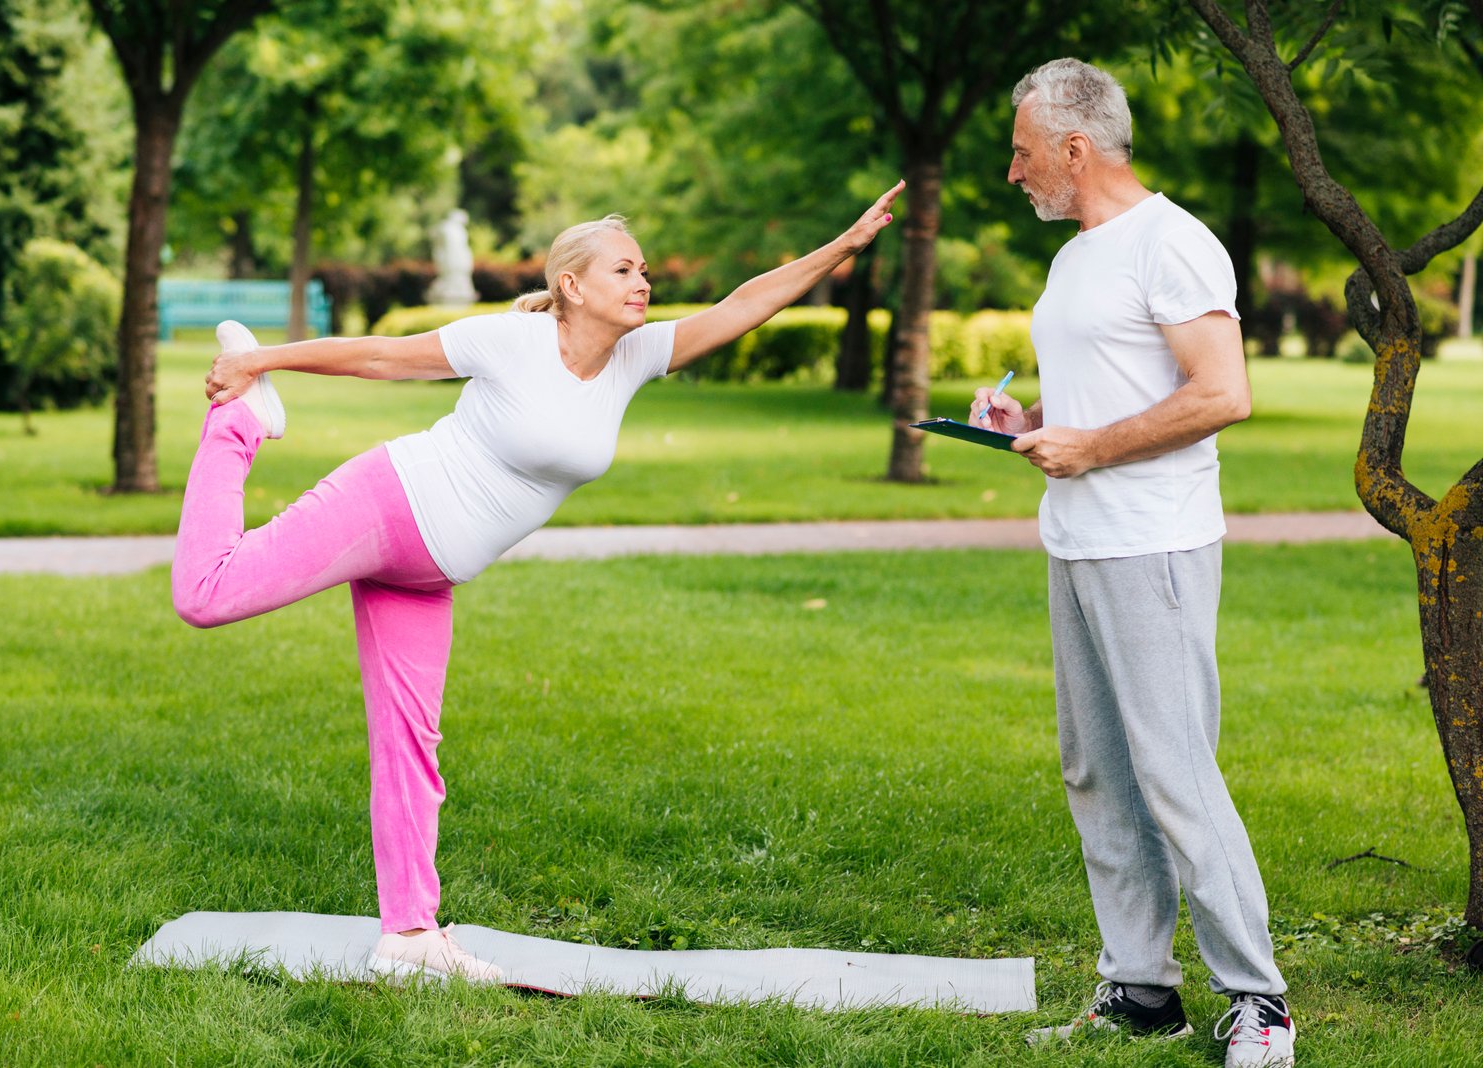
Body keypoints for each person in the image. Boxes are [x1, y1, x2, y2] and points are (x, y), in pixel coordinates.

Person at [171, 182, 903, 983]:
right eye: (623, 269)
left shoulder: (633, 360)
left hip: (430, 571)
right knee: (206, 595)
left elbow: (742, 304)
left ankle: (408, 936)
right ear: (571, 285)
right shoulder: (512, 343)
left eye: (645, 270)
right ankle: (241, 426)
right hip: (390, 503)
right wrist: (259, 363)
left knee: (410, 744)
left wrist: (843, 246)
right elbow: (384, 357)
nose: (642, 282)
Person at [973, 59, 1294, 1067]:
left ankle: (1259, 1001)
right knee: (1099, 773)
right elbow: (1110, 392)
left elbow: (1220, 394)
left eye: (1022, 152)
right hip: (1075, 537)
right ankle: (1139, 988)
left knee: (1172, 773)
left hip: (1150, 541)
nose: (1012, 170)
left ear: (1074, 148)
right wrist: (1034, 423)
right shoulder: (1078, 255)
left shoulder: (1173, 242)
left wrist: (1090, 448)